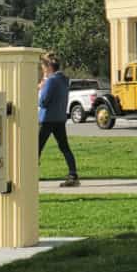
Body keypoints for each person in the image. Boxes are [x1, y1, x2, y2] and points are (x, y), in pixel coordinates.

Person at [38, 54, 80, 186]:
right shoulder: (64, 80)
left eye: (44, 68)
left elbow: (43, 102)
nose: (43, 70)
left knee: (36, 147)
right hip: (60, 118)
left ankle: (30, 174)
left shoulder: (51, 81)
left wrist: (42, 87)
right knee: (64, 147)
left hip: (47, 119)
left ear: (50, 67)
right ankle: (73, 174)